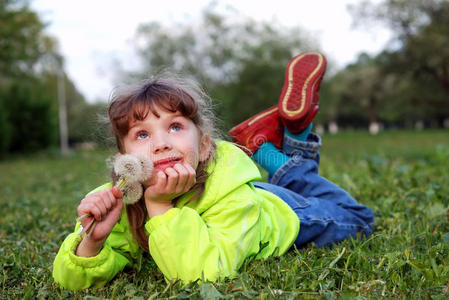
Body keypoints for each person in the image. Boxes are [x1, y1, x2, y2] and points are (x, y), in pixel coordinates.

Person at [52, 53, 374, 290]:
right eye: (143, 134)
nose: (161, 143)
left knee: (358, 218)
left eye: (175, 126)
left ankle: (283, 150)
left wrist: (161, 207)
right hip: (248, 199)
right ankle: (272, 147)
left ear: (205, 146)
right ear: (124, 159)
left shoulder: (229, 192)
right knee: (313, 191)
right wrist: (92, 242)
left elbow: (206, 274)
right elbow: (69, 282)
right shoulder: (118, 201)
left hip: (278, 215)